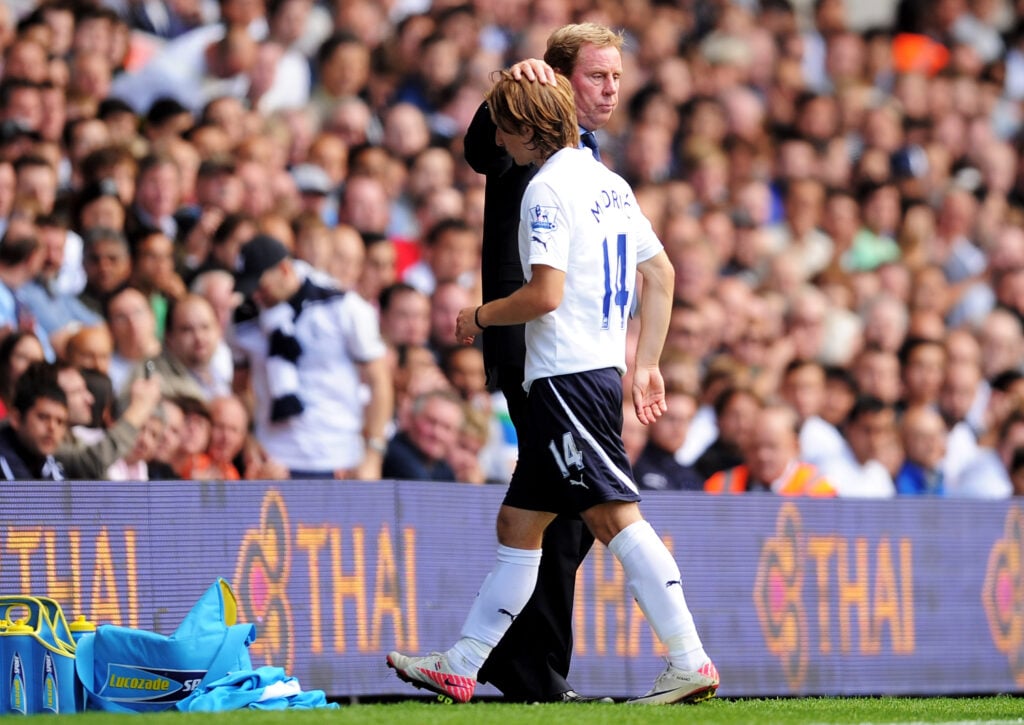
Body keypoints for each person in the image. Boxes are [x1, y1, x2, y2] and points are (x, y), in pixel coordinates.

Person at [388, 71, 718, 706]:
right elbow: (664, 274)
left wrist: (478, 316)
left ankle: (690, 659)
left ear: (523, 129)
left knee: (614, 517)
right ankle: (462, 662)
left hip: (566, 379)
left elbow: (545, 295)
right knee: (519, 521)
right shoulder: (609, 182)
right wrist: (644, 360)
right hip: (592, 373)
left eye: (504, 130)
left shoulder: (544, 189)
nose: (501, 145)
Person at [458, 22, 627, 704]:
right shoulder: (522, 133)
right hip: (538, 350)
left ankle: (515, 661)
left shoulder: (590, 157)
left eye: (616, 76)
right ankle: (531, 665)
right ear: (557, 79)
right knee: (577, 508)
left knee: (551, 512)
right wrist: (506, 82)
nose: (610, 88)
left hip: (580, 354)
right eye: (596, 76)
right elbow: (477, 150)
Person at [229, 234, 392, 480]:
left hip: (338, 454)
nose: (256, 296)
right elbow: (239, 386)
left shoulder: (342, 305)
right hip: (275, 459)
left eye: (261, 286)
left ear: (284, 269)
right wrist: (249, 436)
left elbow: (379, 381)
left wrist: (373, 455)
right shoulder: (244, 318)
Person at [704, 404, 837, 496]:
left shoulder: (817, 490)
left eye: (772, 446)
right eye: (755, 446)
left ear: (795, 446)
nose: (762, 455)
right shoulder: (721, 487)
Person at [0, 362, 68, 480]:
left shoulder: (50, 463)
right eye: (43, 417)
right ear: (16, 418)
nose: (52, 427)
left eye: (60, 422)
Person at [381, 388, 463, 482]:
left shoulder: (445, 471)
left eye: (446, 428)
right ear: (412, 419)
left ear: (457, 436)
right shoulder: (393, 456)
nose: (437, 433)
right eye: (431, 422)